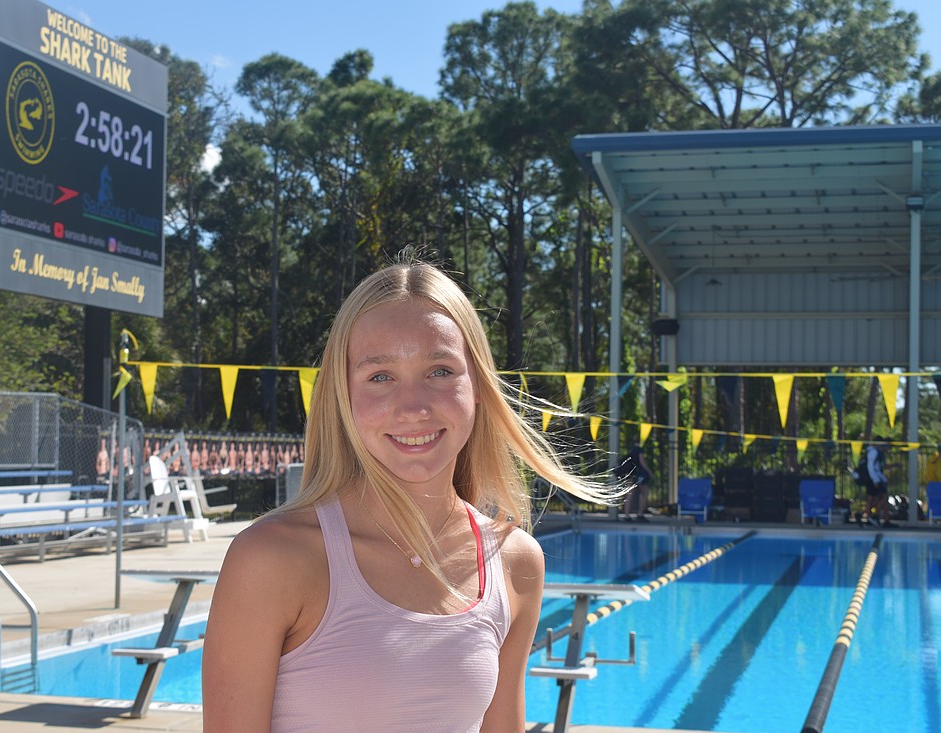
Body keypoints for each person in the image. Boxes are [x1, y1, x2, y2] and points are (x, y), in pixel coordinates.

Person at [201, 259, 620, 732]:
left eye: (440, 371)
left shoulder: (514, 562)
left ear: (478, 385)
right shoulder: (273, 559)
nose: (413, 408)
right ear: (344, 395)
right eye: (380, 376)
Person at [616, 445, 652, 522]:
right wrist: (649, 472)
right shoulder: (639, 449)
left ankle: (626, 515)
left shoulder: (631, 450)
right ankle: (640, 514)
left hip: (631, 474)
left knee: (629, 494)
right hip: (639, 474)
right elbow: (642, 462)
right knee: (645, 493)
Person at [864, 439, 893, 528]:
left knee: (879, 498)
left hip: (876, 478)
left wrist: (882, 479)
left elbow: (877, 468)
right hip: (872, 479)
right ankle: (871, 517)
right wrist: (875, 479)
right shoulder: (873, 452)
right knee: (877, 498)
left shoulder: (877, 452)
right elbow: (871, 467)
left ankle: (873, 517)